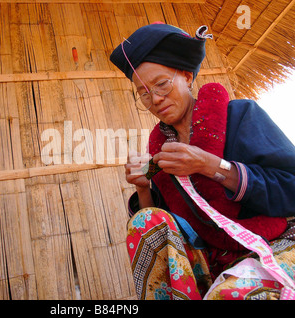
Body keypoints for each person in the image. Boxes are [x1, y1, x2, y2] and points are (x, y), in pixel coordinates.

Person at [110, 22, 295, 300]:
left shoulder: (241, 115)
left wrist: (210, 165)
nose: (156, 99)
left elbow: (291, 188)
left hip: (269, 243)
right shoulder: (161, 150)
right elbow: (165, 231)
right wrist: (143, 188)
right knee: (145, 220)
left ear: (186, 76)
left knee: (230, 294)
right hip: (208, 259)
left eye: (161, 84)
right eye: (144, 93)